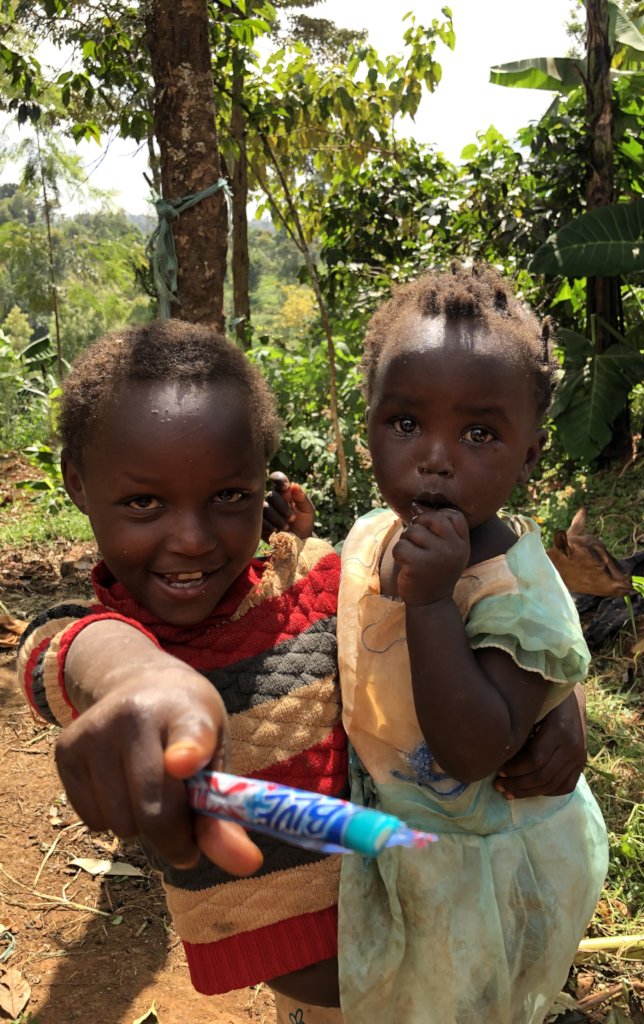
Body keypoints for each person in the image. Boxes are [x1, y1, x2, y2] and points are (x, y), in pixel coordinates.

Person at [15, 316, 590, 1024]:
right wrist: (140, 678)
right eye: (144, 502)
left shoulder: (320, 585)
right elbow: (60, 647)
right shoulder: (119, 635)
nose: (191, 539)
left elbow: (493, 624)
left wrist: (560, 704)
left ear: (265, 487)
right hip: (325, 996)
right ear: (77, 485)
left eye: (228, 496)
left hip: (432, 955)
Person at [335, 263, 610, 1024]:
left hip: (484, 866)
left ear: (529, 455)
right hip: (402, 833)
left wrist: (430, 604)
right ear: (371, 432)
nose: (436, 456)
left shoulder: (513, 594)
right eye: (406, 423)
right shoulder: (371, 535)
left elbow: (475, 750)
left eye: (479, 432)